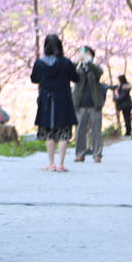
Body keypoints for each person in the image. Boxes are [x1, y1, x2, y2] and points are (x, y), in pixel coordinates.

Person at [30, 33, 79, 172]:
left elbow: (34, 79)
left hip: (46, 101)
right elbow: (76, 78)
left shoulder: (39, 63)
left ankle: (51, 163)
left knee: (49, 132)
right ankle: (61, 164)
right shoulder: (66, 63)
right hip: (63, 100)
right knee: (64, 131)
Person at [72, 46, 105, 163]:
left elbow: (99, 72)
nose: (84, 55)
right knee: (80, 130)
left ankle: (97, 154)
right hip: (80, 104)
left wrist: (88, 63)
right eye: (83, 53)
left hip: (94, 103)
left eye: (87, 53)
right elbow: (69, 74)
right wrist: (76, 62)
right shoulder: (78, 69)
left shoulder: (94, 69)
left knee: (96, 130)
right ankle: (80, 154)